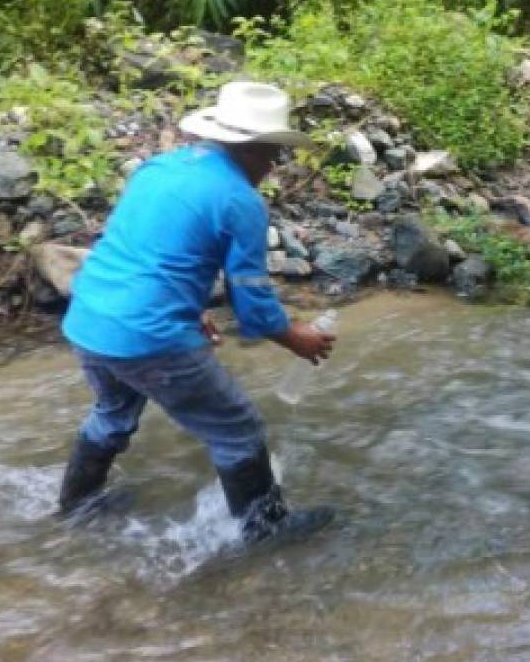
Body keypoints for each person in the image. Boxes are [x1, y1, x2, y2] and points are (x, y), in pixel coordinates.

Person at [57, 80, 336, 543]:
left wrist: (190, 308)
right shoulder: (239, 200)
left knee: (113, 411)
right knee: (239, 430)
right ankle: (265, 534)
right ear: (252, 148)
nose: (273, 167)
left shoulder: (158, 168)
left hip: (88, 318)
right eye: (273, 154)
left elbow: (144, 253)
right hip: (150, 336)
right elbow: (254, 305)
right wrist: (297, 337)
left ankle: (76, 506)